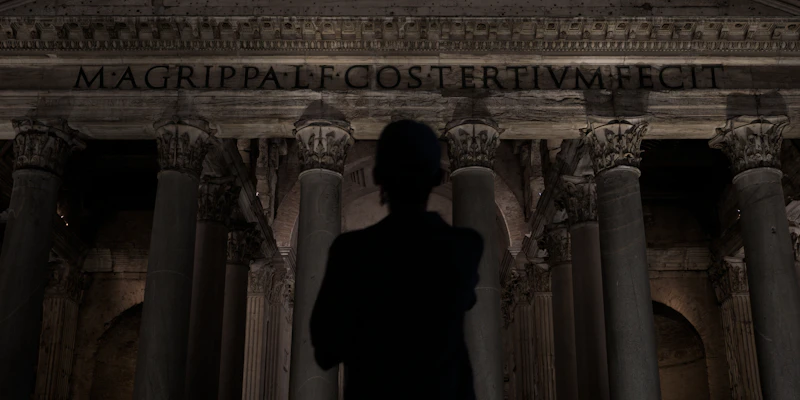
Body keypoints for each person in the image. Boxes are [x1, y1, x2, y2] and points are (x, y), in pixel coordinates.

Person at [309, 119, 483, 400]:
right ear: (437, 177)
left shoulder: (351, 252)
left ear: (377, 176)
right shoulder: (464, 248)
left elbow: (326, 351)